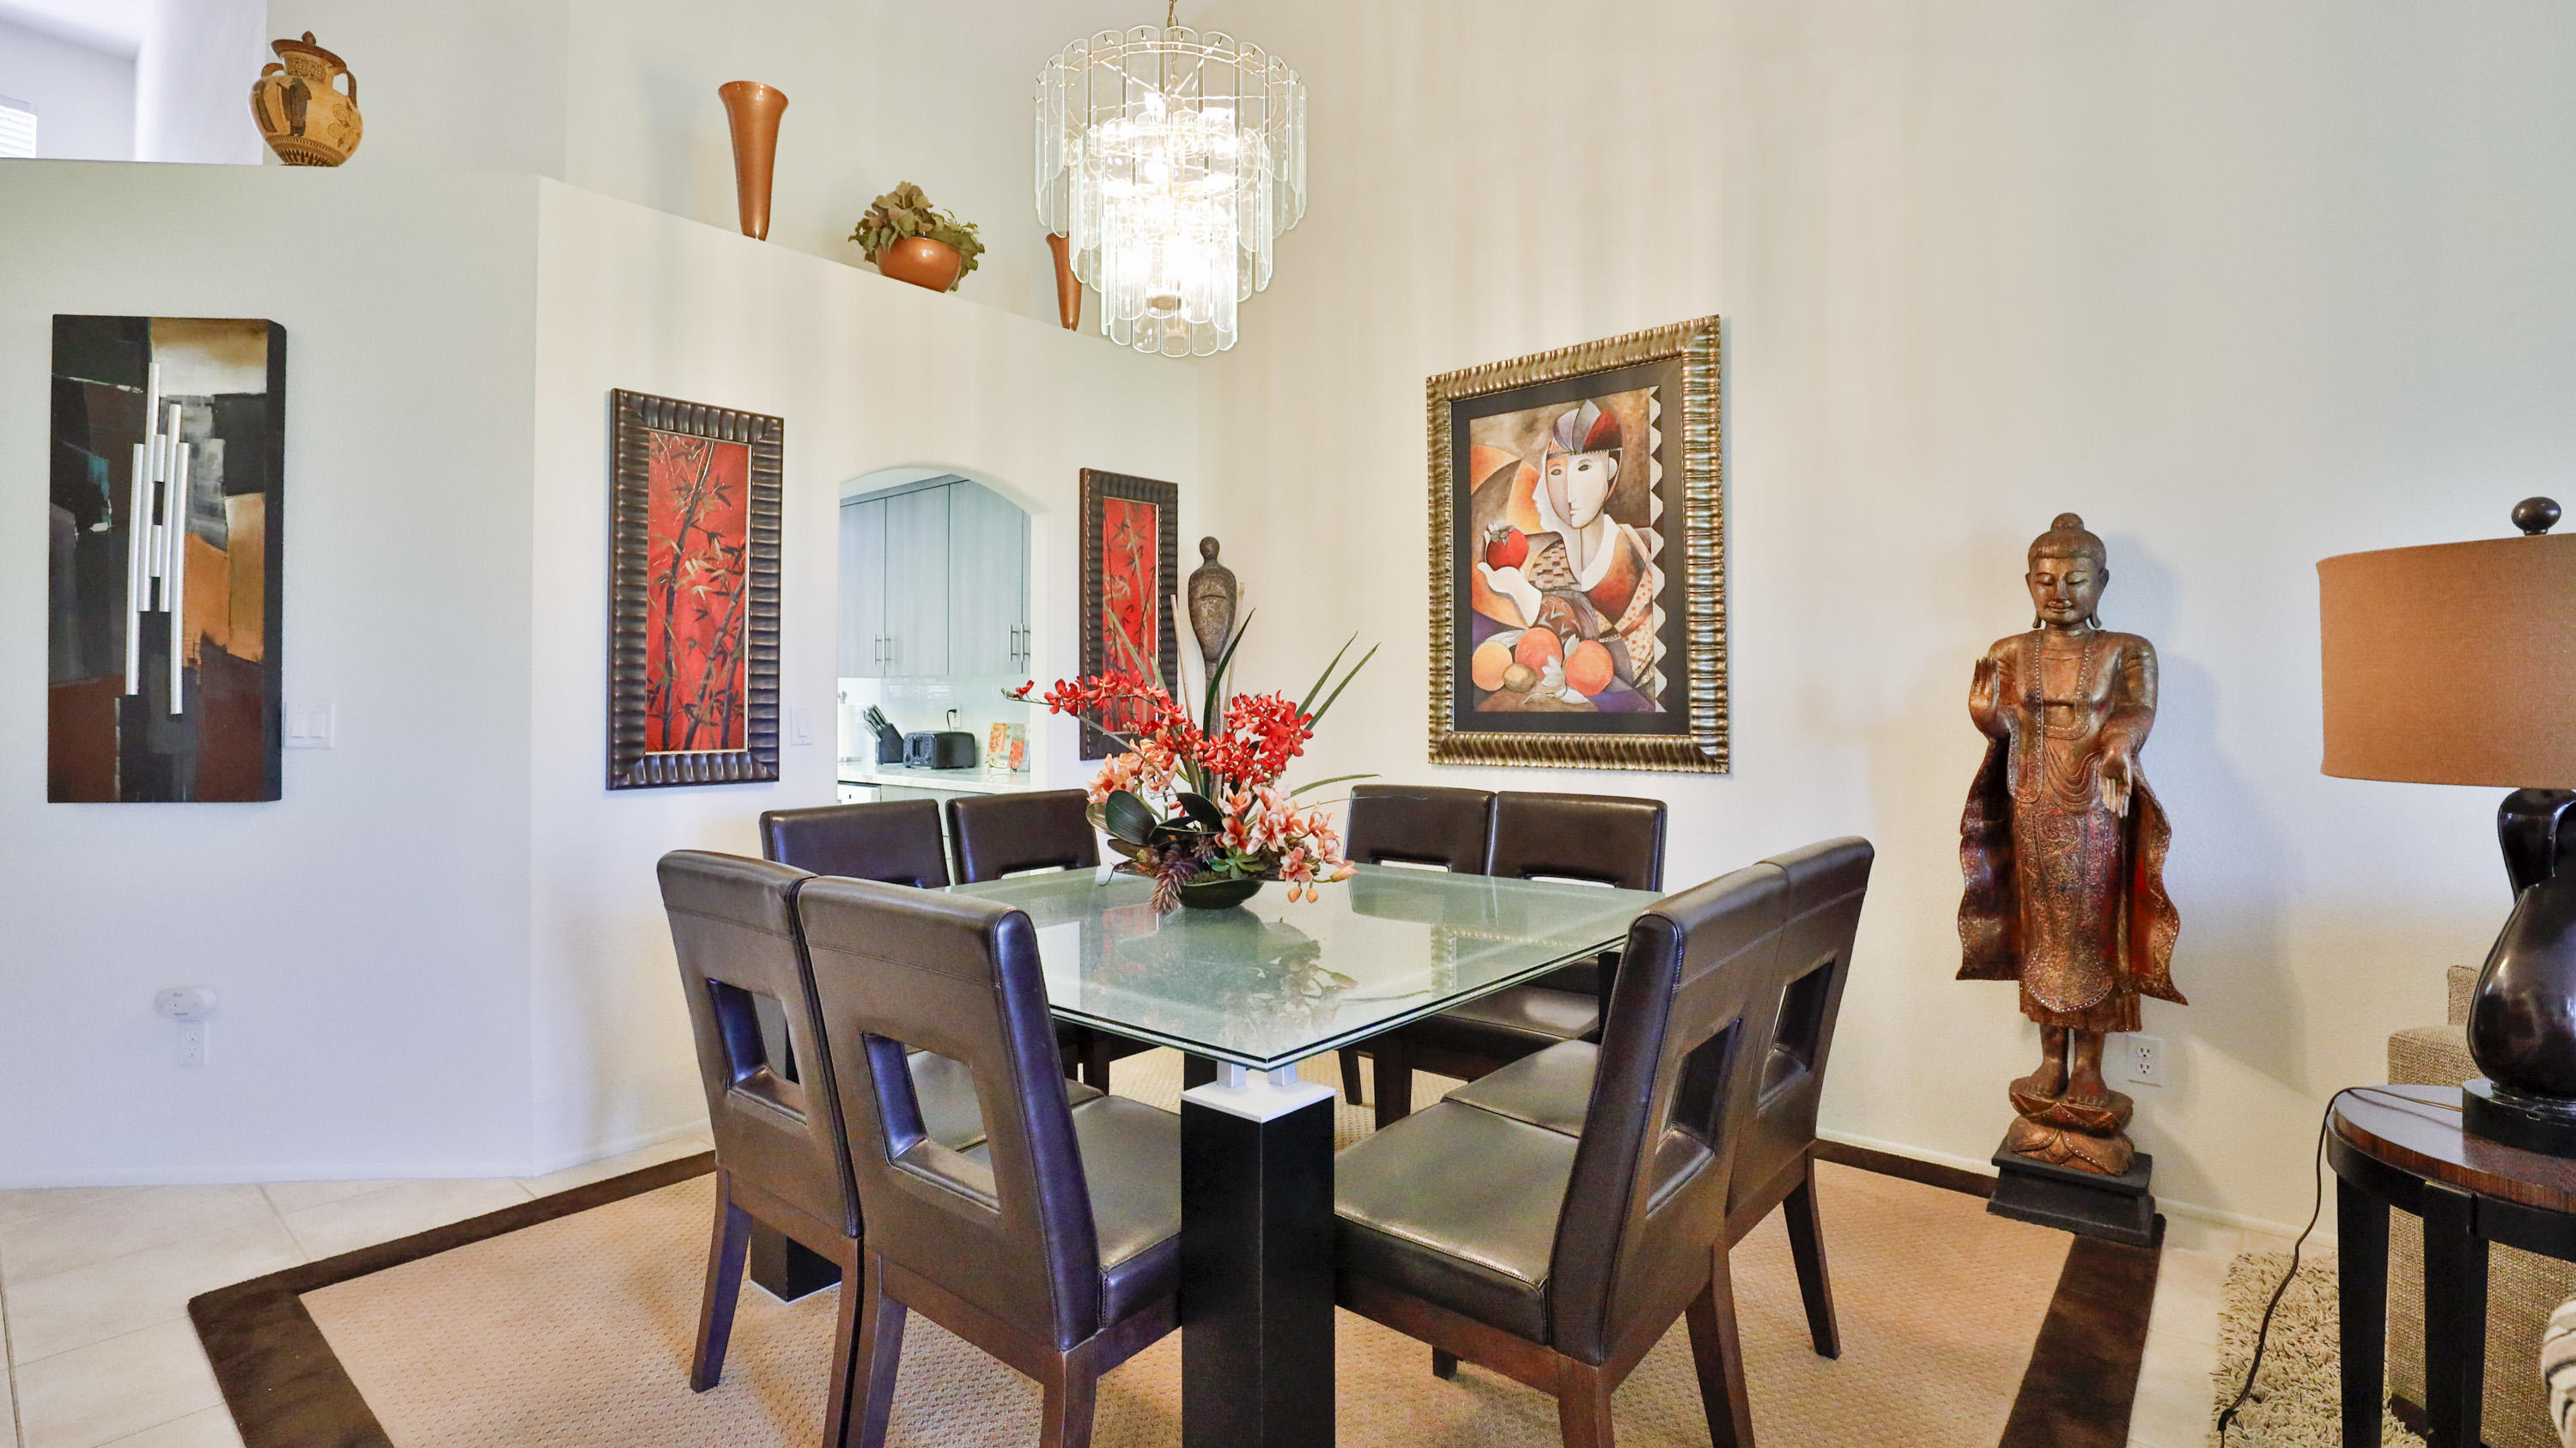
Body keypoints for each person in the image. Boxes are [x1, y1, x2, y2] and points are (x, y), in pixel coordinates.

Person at [1959, 513, 2181, 1174]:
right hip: (2030, 799)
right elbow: (2001, 723)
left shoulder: (2127, 649)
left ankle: (2089, 1065)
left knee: (2091, 926)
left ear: (2102, 582)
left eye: (2075, 579)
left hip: (2096, 805)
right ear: (2029, 583)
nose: (2059, 591)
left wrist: (2116, 742)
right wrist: (1986, 718)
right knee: (2039, 928)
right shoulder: (2007, 651)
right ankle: (2050, 1057)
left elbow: (2138, 711)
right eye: (2046, 579)